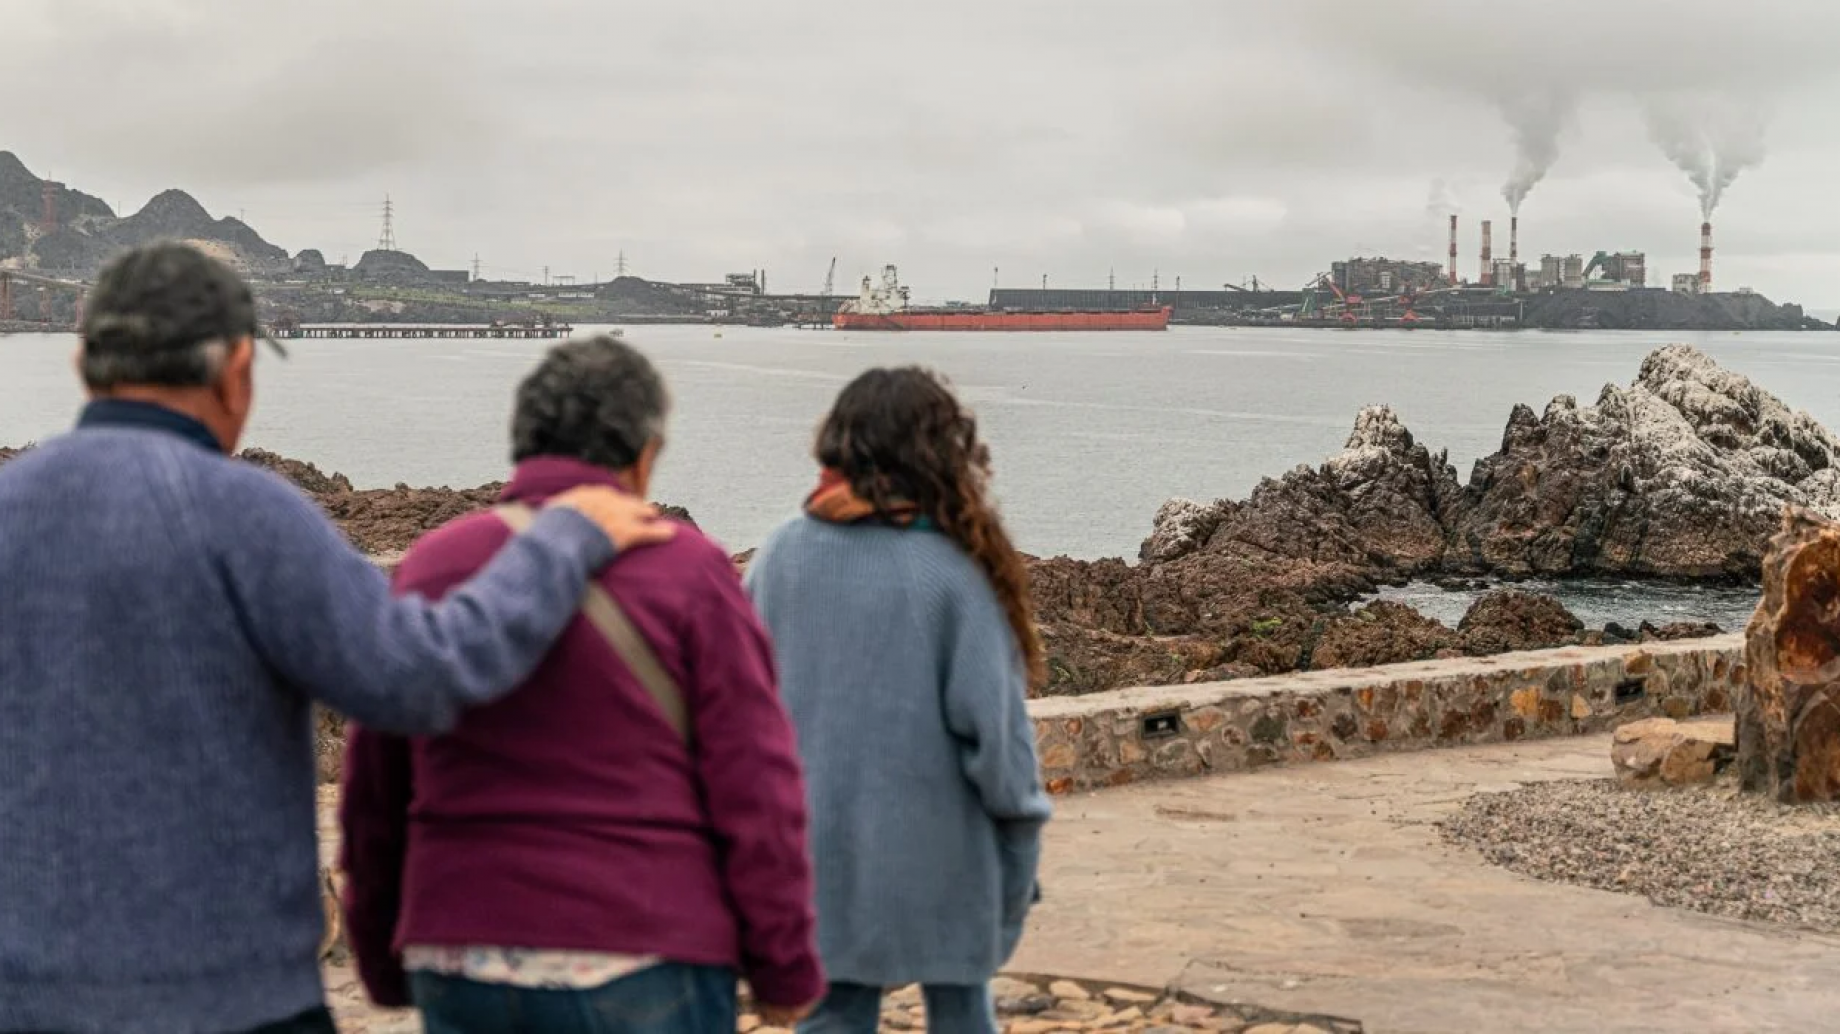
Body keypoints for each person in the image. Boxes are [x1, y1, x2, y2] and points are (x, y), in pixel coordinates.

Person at [0, 243, 673, 1034]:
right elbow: (416, 675)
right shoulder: (248, 516)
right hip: (234, 995)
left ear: (85, 363)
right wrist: (563, 540)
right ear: (237, 369)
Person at [340, 334, 824, 1034]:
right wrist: (783, 964)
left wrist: (383, 958)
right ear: (645, 453)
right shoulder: (686, 569)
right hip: (642, 947)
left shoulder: (436, 565)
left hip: (460, 951)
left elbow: (376, 787)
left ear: (524, 443)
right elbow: (755, 782)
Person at [744, 366, 1052, 1034]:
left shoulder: (778, 557)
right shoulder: (954, 571)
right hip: (942, 854)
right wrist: (1021, 844)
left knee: (835, 1014)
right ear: (944, 451)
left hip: (812, 850)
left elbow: (737, 713)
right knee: (962, 1012)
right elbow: (998, 743)